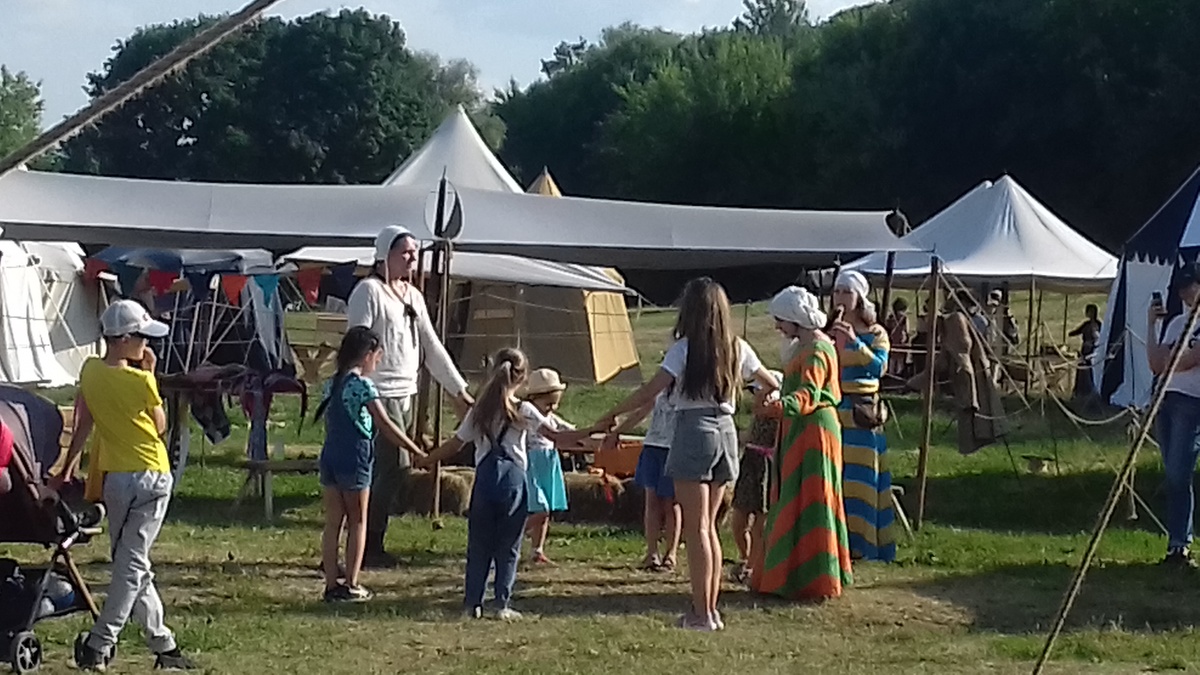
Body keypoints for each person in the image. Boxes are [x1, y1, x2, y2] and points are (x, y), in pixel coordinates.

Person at [598, 278, 778, 631]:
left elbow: (650, 390)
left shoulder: (684, 349)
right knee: (709, 528)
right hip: (726, 432)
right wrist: (760, 402)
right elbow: (770, 383)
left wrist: (611, 415)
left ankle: (701, 613)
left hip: (693, 430)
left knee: (696, 530)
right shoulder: (738, 347)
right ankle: (711, 611)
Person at [51, 299, 195, 671]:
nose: (147, 344)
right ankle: (101, 643)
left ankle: (163, 644)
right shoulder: (141, 380)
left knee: (130, 563)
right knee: (132, 565)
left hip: (116, 478)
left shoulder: (89, 371)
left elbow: (85, 421)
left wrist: (67, 466)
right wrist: (150, 374)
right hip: (152, 473)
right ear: (125, 339)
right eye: (142, 337)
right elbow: (160, 425)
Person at [418, 349, 597, 619]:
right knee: (509, 544)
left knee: (479, 544)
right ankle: (501, 603)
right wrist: (593, 430)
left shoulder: (479, 410)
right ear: (522, 378)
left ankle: (472, 604)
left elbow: (455, 444)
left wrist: (426, 459)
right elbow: (558, 437)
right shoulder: (524, 409)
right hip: (513, 479)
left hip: (484, 479)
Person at [348, 225, 474, 568]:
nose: (412, 258)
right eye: (405, 252)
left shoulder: (412, 296)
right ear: (384, 254)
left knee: (392, 471)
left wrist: (459, 390)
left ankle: (368, 540)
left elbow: (431, 347)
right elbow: (357, 343)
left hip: (405, 393)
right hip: (377, 393)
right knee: (390, 468)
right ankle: (368, 544)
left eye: (414, 252)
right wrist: (358, 388)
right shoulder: (369, 292)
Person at [753, 286, 853, 600]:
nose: (777, 326)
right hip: (800, 427)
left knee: (813, 498)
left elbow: (809, 392)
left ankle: (814, 578)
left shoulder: (817, 350)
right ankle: (790, 574)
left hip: (815, 429)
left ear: (796, 319)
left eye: (781, 320)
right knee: (793, 496)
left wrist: (778, 407)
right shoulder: (806, 345)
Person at [315, 326, 427, 602]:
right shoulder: (362, 386)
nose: (378, 361)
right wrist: (414, 449)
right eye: (377, 356)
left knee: (333, 523)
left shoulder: (331, 384)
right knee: (358, 521)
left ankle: (331, 583)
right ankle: (352, 583)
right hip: (354, 456)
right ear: (367, 355)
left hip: (330, 455)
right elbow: (385, 425)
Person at [829, 270, 896, 563]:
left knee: (862, 480)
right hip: (835, 410)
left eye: (846, 291)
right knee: (838, 478)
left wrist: (855, 342)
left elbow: (879, 367)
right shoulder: (829, 331)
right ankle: (837, 541)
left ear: (859, 297)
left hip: (863, 412)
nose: (840, 297)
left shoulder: (876, 332)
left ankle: (864, 544)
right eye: (837, 291)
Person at [1147, 263, 1200, 569]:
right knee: (1172, 475)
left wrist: (1170, 360)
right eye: (1181, 287)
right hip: (1165, 399)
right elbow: (1155, 363)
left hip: (1191, 402)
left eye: (1190, 286)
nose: (1184, 292)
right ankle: (1175, 544)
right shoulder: (1178, 322)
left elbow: (1191, 359)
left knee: (1179, 474)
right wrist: (1151, 325)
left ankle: (1181, 543)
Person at [614, 389, 681, 572]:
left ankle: (671, 553)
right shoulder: (659, 389)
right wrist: (618, 431)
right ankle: (652, 552)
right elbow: (641, 412)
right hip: (653, 447)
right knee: (651, 500)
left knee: (671, 504)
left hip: (674, 448)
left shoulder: (688, 390)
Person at [729, 372, 782, 585]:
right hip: (750, 460)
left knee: (761, 519)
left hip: (767, 463)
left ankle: (753, 565)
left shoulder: (778, 414)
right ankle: (745, 557)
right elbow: (747, 436)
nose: (756, 397)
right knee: (739, 518)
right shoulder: (757, 414)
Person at [519, 368, 575, 565]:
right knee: (540, 508)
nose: (552, 408)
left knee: (547, 510)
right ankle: (512, 535)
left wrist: (593, 436)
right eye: (548, 403)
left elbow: (567, 429)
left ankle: (537, 550)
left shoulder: (550, 416)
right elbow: (554, 433)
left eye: (555, 403)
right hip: (532, 462)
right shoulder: (527, 411)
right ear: (534, 398)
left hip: (549, 460)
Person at [1069, 304, 1102, 401]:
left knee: (1090, 371)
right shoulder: (1086, 324)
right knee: (1082, 370)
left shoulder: (1099, 325)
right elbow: (1076, 332)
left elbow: (1100, 337)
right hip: (1085, 350)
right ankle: (1079, 391)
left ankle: (1090, 390)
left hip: (1092, 350)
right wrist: (1071, 333)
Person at [884, 298, 910, 378]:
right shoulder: (904, 318)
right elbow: (907, 330)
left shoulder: (891, 317)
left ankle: (892, 376)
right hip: (899, 341)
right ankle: (897, 377)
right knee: (899, 363)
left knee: (893, 363)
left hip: (894, 341)